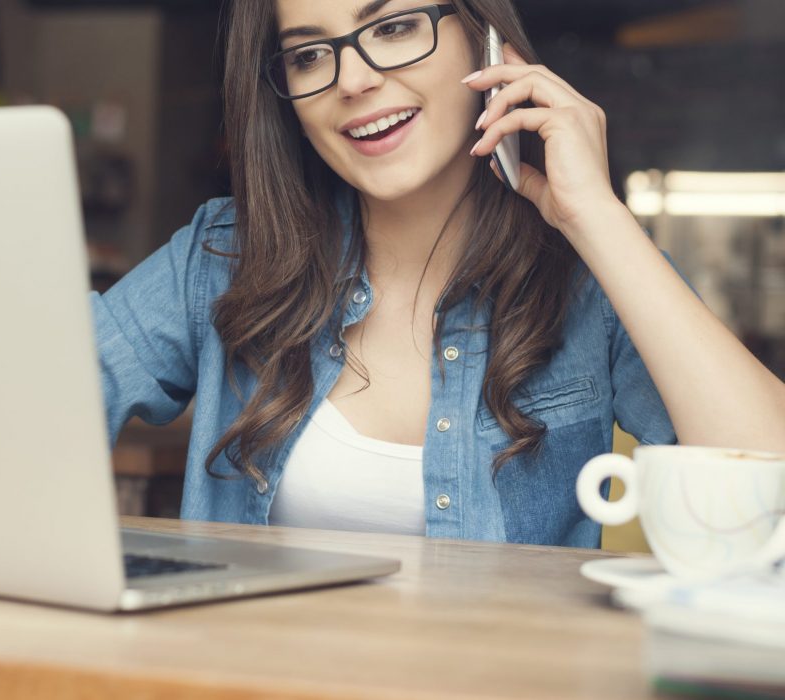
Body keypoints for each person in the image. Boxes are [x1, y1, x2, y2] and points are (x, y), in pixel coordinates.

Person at [92, 0, 785, 546]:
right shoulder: (223, 256)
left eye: (393, 27)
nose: (354, 81)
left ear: (486, 40)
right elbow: (43, 398)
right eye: (308, 55)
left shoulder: (588, 276)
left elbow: (771, 492)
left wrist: (596, 218)